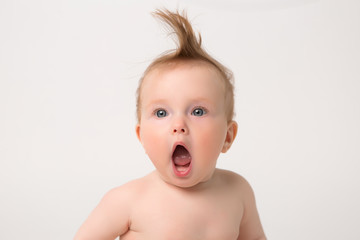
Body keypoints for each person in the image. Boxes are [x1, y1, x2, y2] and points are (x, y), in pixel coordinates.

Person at [74, 9, 266, 240]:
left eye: (197, 111)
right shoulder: (127, 200)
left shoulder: (238, 191)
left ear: (227, 136)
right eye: (161, 112)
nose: (178, 125)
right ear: (142, 136)